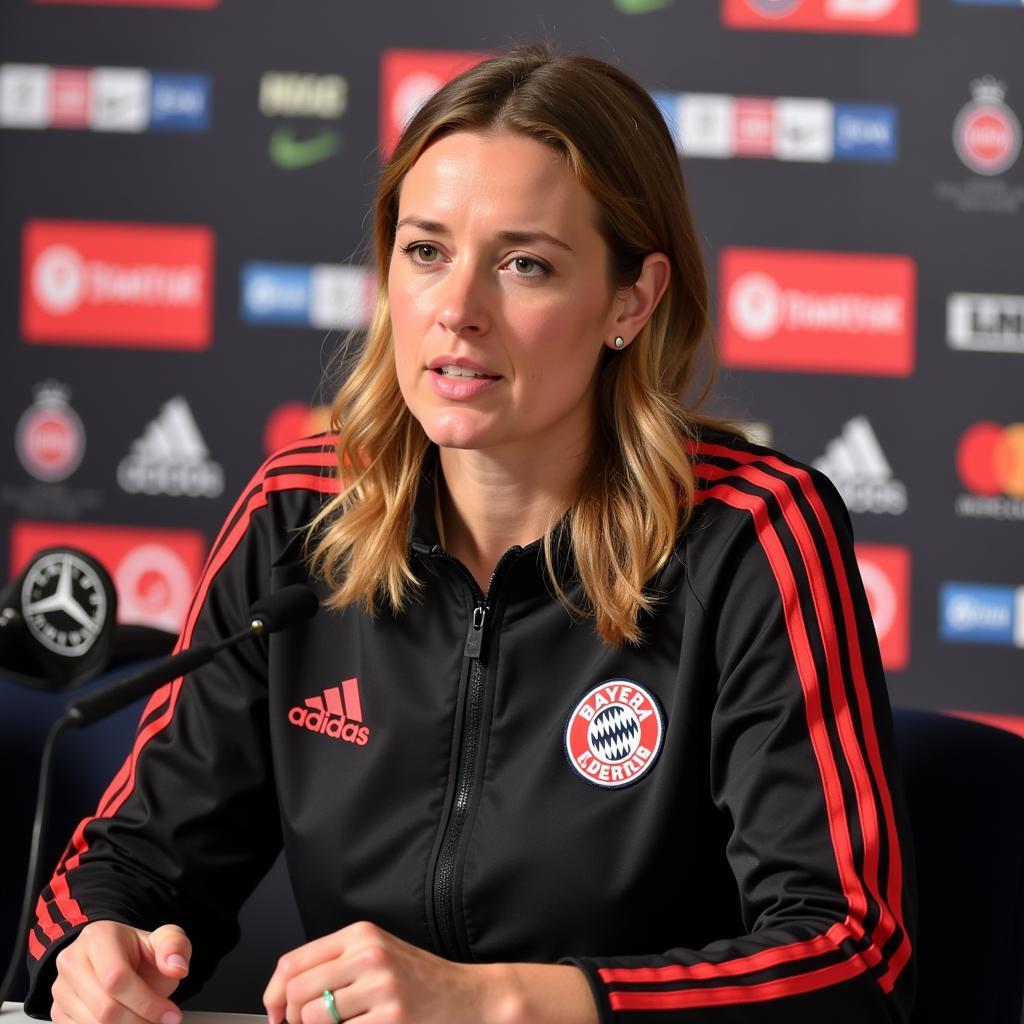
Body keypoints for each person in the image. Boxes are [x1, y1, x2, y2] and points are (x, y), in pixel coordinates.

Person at [25, 44, 915, 1024]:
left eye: (524, 264)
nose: (456, 310)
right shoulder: (298, 515)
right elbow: (136, 858)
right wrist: (95, 948)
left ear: (632, 299)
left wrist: (500, 1001)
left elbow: (846, 954)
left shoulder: (750, 534)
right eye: (426, 250)